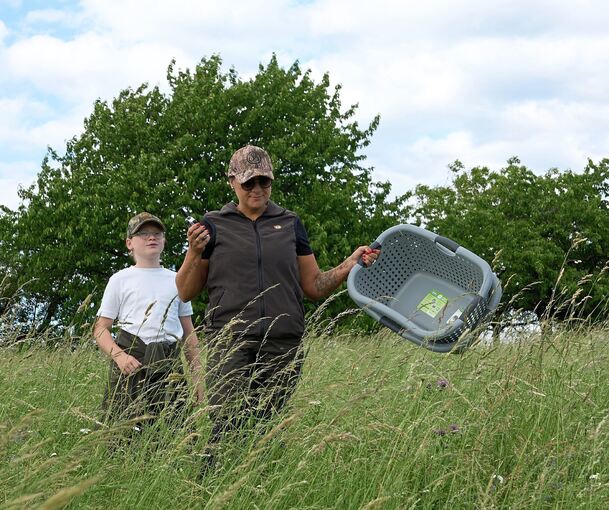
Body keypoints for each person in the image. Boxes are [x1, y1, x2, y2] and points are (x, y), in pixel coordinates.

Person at [175, 145, 379, 452]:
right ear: (232, 181)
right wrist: (193, 251)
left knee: (267, 426)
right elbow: (185, 291)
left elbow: (314, 286)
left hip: (282, 341)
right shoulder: (214, 225)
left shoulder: (290, 223)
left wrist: (349, 265)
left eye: (264, 182)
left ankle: (265, 487)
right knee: (226, 423)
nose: (257, 189)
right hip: (230, 339)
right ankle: (213, 488)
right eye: (248, 183)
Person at [94, 212, 203, 426]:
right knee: (120, 436)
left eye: (157, 233)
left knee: (171, 438)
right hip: (130, 366)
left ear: (164, 241)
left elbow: (189, 335)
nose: (151, 238)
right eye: (143, 233)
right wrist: (120, 357)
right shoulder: (119, 280)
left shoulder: (177, 279)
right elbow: (100, 329)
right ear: (129, 243)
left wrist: (198, 382)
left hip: (169, 367)